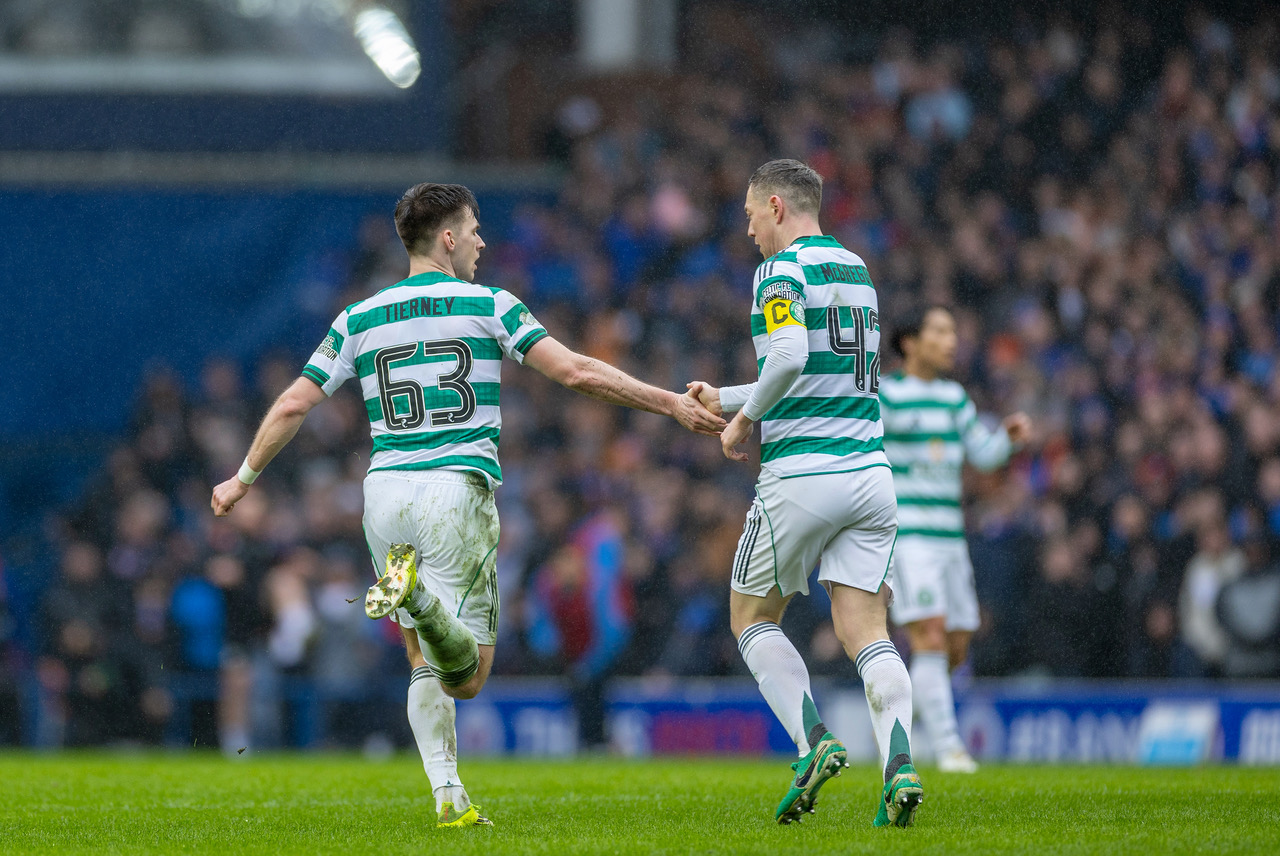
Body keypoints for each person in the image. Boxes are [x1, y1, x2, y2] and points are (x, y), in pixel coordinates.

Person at [212, 183, 723, 828]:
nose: (483, 242)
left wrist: (242, 477)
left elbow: (292, 403)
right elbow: (575, 372)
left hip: (386, 494)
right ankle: (420, 599)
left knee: (420, 656)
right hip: (455, 489)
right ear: (447, 238)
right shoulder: (490, 305)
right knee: (469, 677)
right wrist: (668, 402)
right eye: (474, 230)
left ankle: (448, 796)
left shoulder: (359, 318)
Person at [691, 159, 923, 827]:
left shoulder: (779, 270)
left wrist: (741, 420)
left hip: (802, 477)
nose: (748, 231)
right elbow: (821, 374)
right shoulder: (856, 272)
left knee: (752, 619)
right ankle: (898, 763)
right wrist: (729, 393)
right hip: (869, 476)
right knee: (866, 631)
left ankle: (812, 742)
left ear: (776, 207)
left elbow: (789, 356)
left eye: (749, 216)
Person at [878, 305, 1030, 772]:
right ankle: (948, 748)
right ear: (910, 342)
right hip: (910, 538)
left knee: (957, 642)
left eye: (953, 332)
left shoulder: (953, 398)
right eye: (940, 331)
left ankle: (902, 718)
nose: (951, 341)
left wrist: (1006, 438)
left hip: (950, 538)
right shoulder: (885, 395)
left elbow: (982, 456)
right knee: (929, 635)